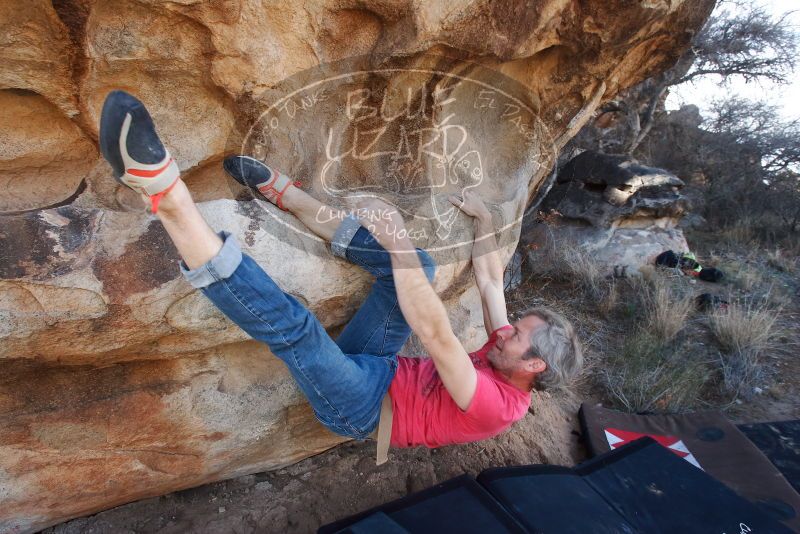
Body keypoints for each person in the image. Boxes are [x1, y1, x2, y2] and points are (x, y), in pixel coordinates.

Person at [99, 90, 583, 460]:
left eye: (517, 335)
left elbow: (434, 332)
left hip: (363, 408)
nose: (504, 331)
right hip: (382, 367)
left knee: (300, 331)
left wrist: (393, 235)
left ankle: (168, 197)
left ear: (535, 366)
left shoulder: (497, 406)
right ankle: (288, 196)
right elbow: (490, 282)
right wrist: (487, 222)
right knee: (424, 268)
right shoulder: (509, 352)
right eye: (513, 326)